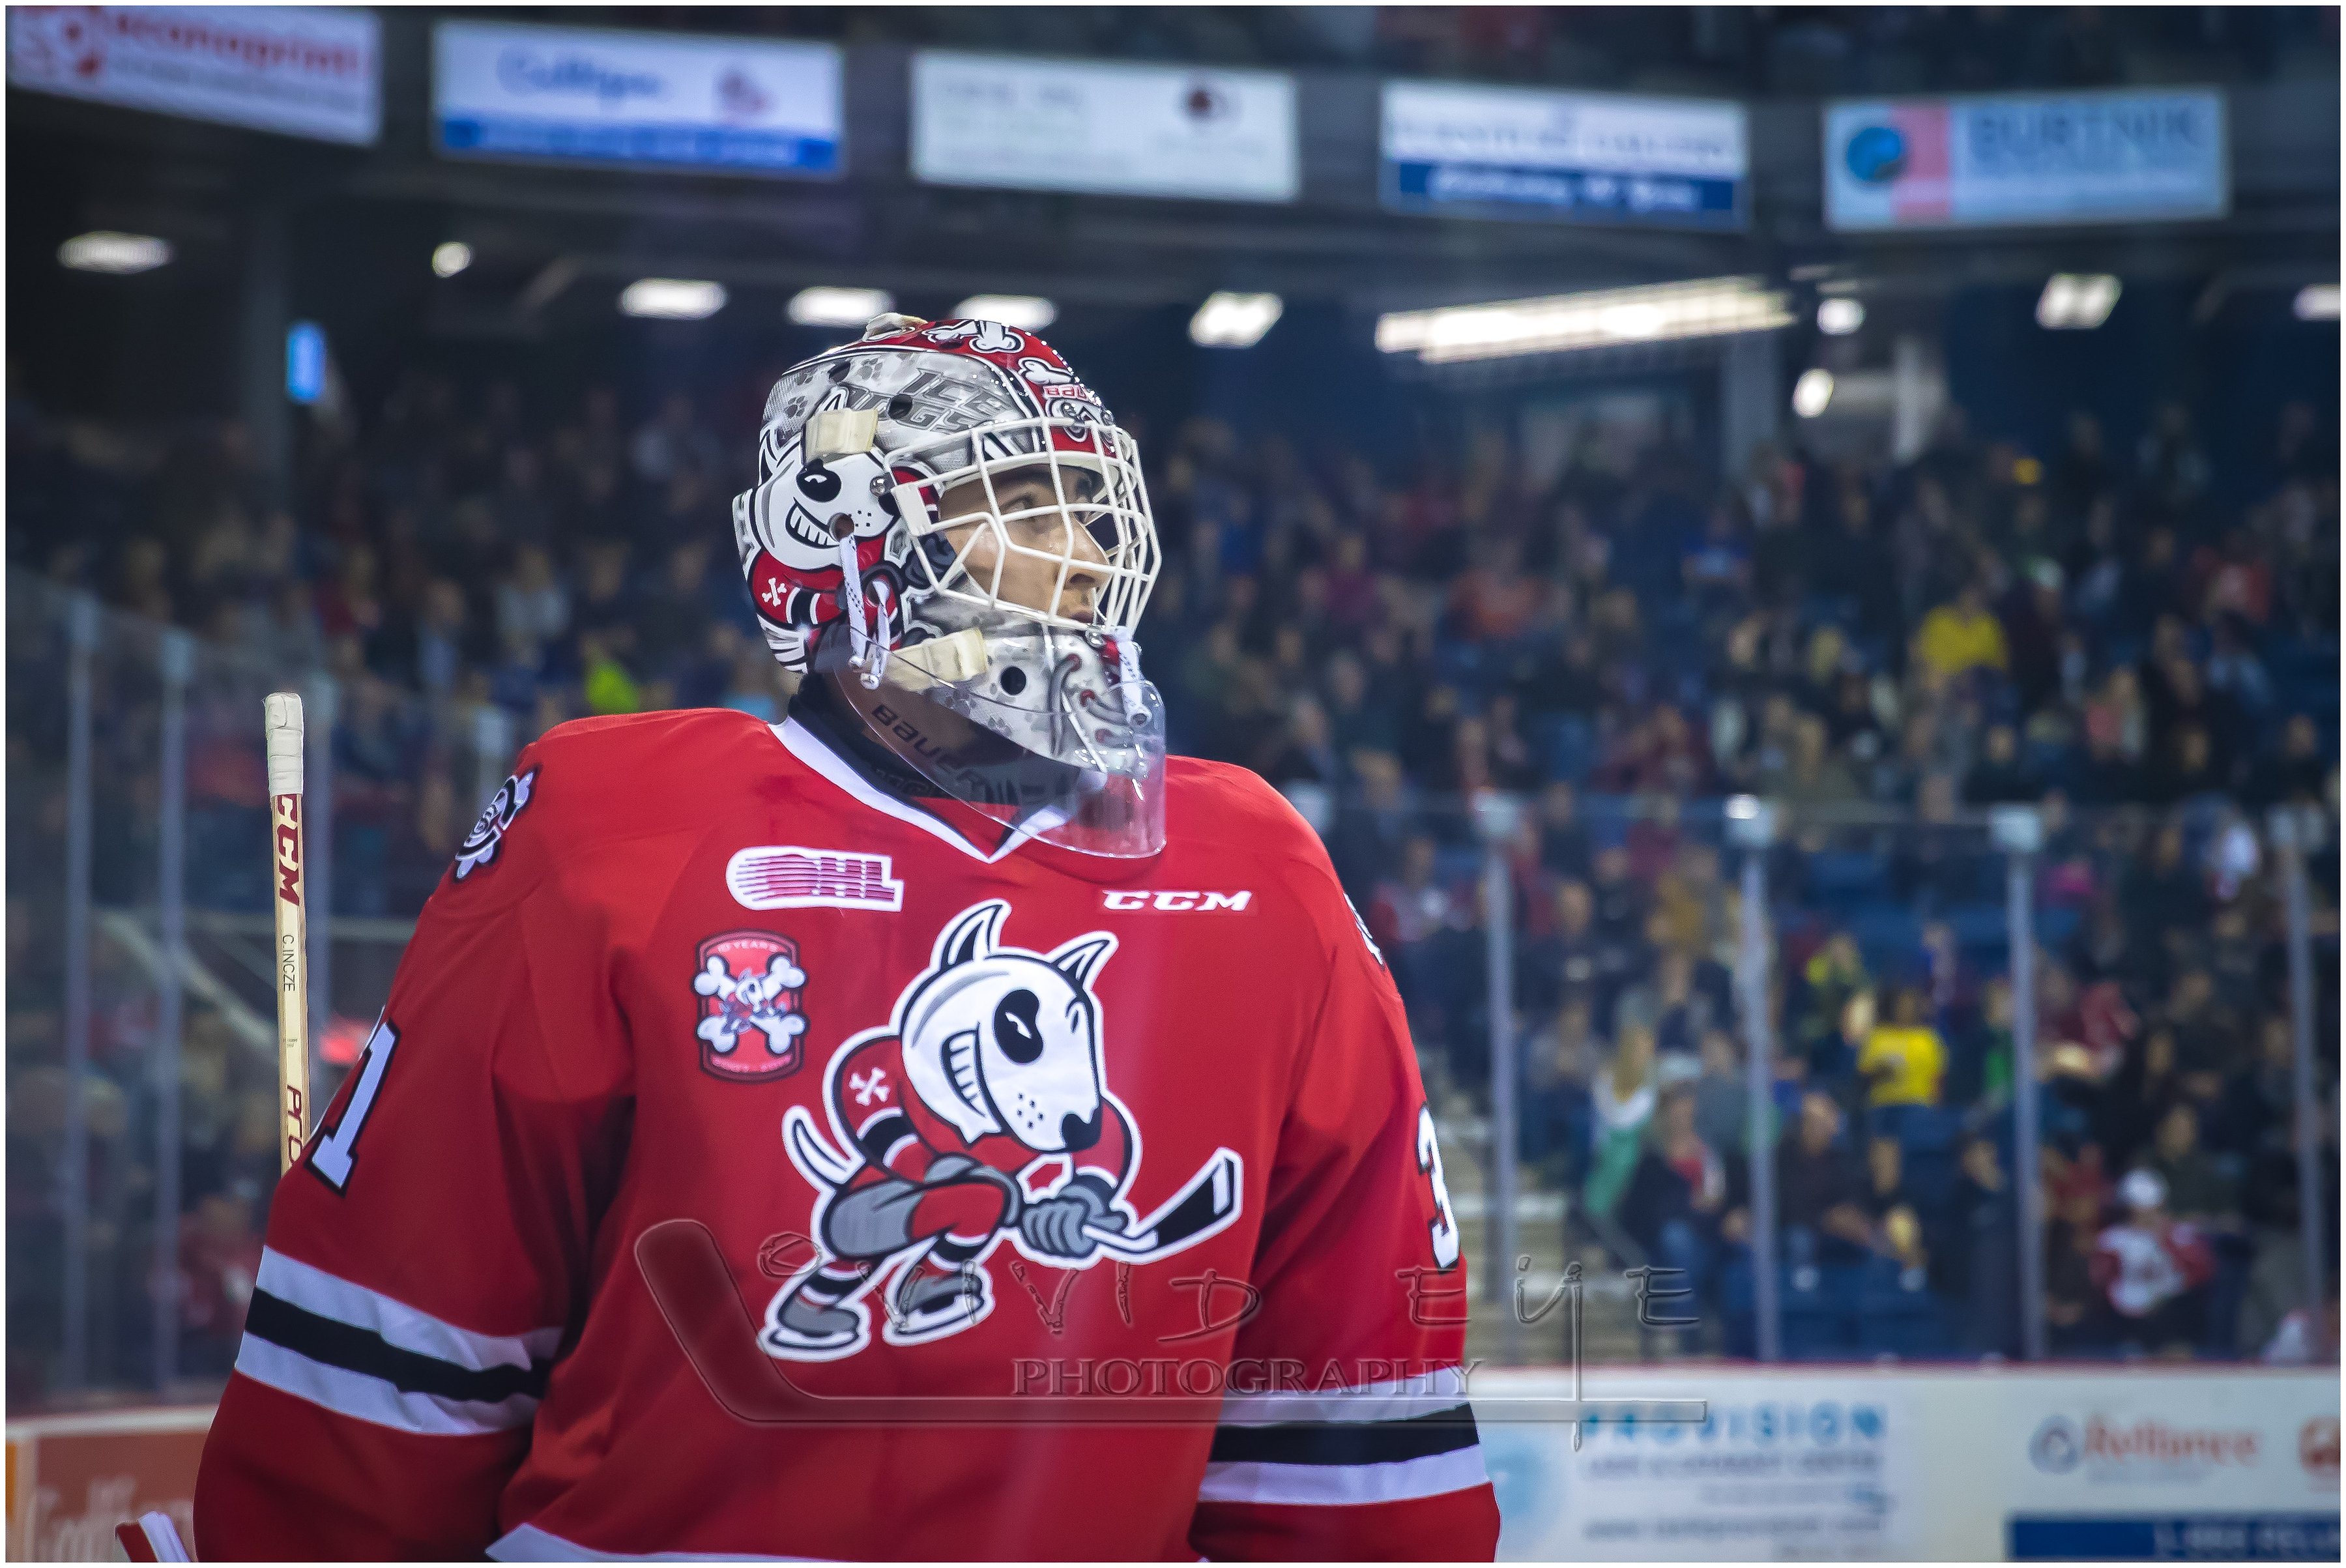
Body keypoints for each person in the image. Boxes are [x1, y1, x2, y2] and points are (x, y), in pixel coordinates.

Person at [195, 317, 1499, 1560]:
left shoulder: (1257, 868)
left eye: (1094, 513)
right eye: (1021, 507)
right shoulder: (615, 826)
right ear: (842, 536)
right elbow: (388, 1383)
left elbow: (1351, 1453)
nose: (1083, 560)